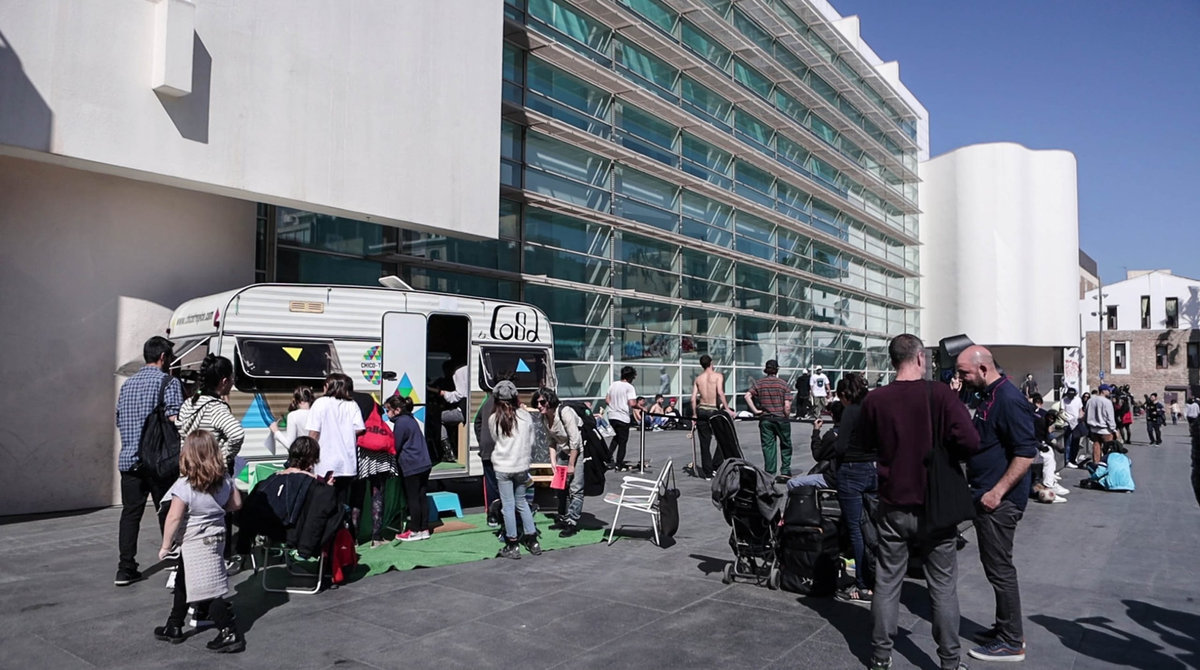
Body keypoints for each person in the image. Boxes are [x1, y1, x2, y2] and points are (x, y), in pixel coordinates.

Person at [862, 334, 979, 670]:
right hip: (935, 504)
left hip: (893, 503)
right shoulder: (939, 394)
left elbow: (866, 443)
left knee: (887, 581)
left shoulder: (875, 399)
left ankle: (880, 656)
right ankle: (949, 660)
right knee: (942, 585)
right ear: (919, 358)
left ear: (892, 361)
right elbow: (970, 441)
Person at [955, 345, 1037, 663]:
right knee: (995, 567)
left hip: (999, 502)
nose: (960, 377)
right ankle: (1005, 628)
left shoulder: (1008, 399)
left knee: (1000, 569)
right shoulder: (988, 395)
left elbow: (1025, 453)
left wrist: (997, 492)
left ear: (983, 369)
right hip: (986, 495)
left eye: (964, 372)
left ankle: (1011, 641)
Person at [153, 430, 245, 653]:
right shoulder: (224, 479)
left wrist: (166, 546)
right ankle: (174, 624)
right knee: (184, 579)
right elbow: (236, 504)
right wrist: (216, 509)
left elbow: (174, 518)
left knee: (209, 590)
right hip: (217, 536)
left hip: (194, 540)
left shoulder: (185, 485)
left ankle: (229, 631)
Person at [115, 336, 184, 586]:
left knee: (130, 514)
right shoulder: (169, 383)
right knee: (167, 510)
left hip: (129, 461)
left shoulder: (127, 385)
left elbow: (119, 420)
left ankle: (125, 568)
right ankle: (175, 559)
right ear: (163, 357)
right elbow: (176, 419)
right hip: (159, 461)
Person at [831, 372, 876, 605]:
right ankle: (878, 577)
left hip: (852, 470)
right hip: (875, 469)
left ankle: (863, 585)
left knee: (856, 529)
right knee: (873, 525)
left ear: (845, 394)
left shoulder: (850, 411)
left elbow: (840, 448)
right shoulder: (874, 408)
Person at [489, 381, 542, 559]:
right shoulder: (525, 416)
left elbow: (495, 439)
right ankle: (532, 540)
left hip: (503, 466)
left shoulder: (494, 418)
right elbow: (532, 441)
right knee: (522, 503)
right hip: (521, 466)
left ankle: (512, 544)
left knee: (508, 506)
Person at [176, 355, 245, 474]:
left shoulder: (188, 403)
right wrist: (225, 458)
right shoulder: (216, 408)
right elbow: (237, 434)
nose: (233, 382)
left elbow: (180, 434)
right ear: (224, 381)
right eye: (232, 378)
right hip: (211, 475)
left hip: (189, 472)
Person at [308, 373, 366, 508]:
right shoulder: (352, 404)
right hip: (347, 464)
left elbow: (314, 432)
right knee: (342, 502)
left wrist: (309, 454)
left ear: (328, 386)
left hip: (325, 463)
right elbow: (360, 428)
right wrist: (344, 432)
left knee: (324, 502)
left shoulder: (320, 403)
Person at [352, 392, 398, 547]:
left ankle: (353, 538)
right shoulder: (369, 400)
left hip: (360, 451)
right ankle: (376, 537)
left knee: (356, 496)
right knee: (378, 494)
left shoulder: (348, 403)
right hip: (379, 452)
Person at [538, 389, 586, 538]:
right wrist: (553, 462)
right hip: (564, 452)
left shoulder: (565, 412)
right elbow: (551, 440)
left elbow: (575, 441)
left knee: (576, 488)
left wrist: (571, 464)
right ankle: (562, 517)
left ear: (550, 401)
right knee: (560, 486)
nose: (539, 406)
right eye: (537, 403)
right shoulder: (544, 417)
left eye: (542, 402)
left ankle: (572, 522)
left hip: (577, 451)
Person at [385, 395, 431, 542]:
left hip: (412, 465)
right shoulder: (410, 419)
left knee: (413, 498)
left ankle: (415, 530)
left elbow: (395, 445)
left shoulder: (401, 423)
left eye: (388, 410)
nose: (387, 413)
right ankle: (424, 528)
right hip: (424, 463)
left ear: (397, 410)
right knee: (421, 496)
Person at [744, 359, 793, 478]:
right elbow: (787, 406)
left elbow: (747, 396)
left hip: (766, 419)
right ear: (777, 370)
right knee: (786, 444)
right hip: (781, 418)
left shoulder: (759, 383)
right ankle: (785, 470)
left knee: (768, 446)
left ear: (766, 370)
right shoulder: (783, 384)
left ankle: (770, 472)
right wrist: (786, 416)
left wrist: (756, 411)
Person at [690, 354, 729, 479]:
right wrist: (727, 409)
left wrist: (694, 415)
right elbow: (720, 393)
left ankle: (707, 472)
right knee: (723, 438)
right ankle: (716, 465)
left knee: (704, 442)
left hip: (702, 410)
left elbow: (693, 399)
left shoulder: (698, 379)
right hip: (713, 410)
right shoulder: (718, 376)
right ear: (711, 363)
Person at [605, 366, 639, 471]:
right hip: (622, 417)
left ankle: (607, 458)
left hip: (612, 415)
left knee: (616, 439)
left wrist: (614, 405)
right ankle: (619, 464)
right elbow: (632, 403)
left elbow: (607, 400)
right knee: (623, 442)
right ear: (630, 377)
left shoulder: (613, 384)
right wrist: (641, 407)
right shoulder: (629, 387)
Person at [435, 360, 469, 462]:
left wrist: (442, 393)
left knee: (437, 417)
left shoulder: (459, 372)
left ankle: (448, 452)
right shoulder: (467, 370)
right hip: (466, 410)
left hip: (462, 412)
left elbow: (459, 395)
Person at [269, 386, 314, 453]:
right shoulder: (317, 414)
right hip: (316, 456)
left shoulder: (293, 416)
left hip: (300, 456)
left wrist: (276, 431)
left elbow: (290, 445)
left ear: (297, 400)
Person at [1085, 385, 1118, 465]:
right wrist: (1113, 429)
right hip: (1105, 429)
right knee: (1108, 448)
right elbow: (1110, 417)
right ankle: (1107, 463)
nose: (1110, 392)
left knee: (1096, 446)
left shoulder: (1090, 401)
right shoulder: (1107, 402)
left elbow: (1086, 413)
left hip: (1093, 428)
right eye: (1108, 390)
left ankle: (1096, 464)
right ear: (1103, 391)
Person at [1053, 388, 1085, 469]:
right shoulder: (1064, 400)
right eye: (1069, 395)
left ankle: (1073, 459)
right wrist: (1067, 419)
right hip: (1067, 423)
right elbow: (1061, 411)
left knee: (1076, 443)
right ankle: (1067, 461)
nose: (1070, 397)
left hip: (1076, 422)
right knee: (1068, 443)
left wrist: (1080, 417)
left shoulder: (1078, 400)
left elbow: (1080, 410)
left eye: (1072, 396)